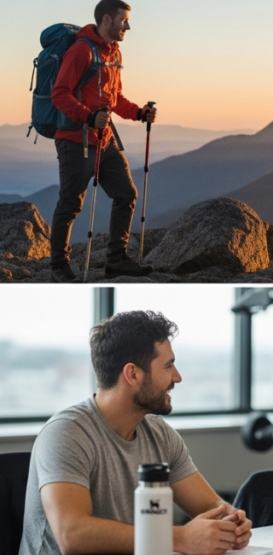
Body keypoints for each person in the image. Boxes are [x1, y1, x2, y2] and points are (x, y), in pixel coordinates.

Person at [19, 311, 253, 555]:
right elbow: (73, 535)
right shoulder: (66, 433)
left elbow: (209, 505)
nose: (177, 377)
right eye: (168, 366)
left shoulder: (160, 434)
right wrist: (179, 537)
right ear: (132, 374)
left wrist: (230, 523)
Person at [49, 0, 157, 282]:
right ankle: (59, 266)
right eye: (124, 20)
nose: (128, 26)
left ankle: (116, 260)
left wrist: (137, 113)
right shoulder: (82, 50)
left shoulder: (113, 52)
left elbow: (114, 98)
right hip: (75, 141)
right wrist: (88, 117)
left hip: (104, 140)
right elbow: (59, 94)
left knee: (126, 193)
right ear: (107, 20)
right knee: (71, 204)